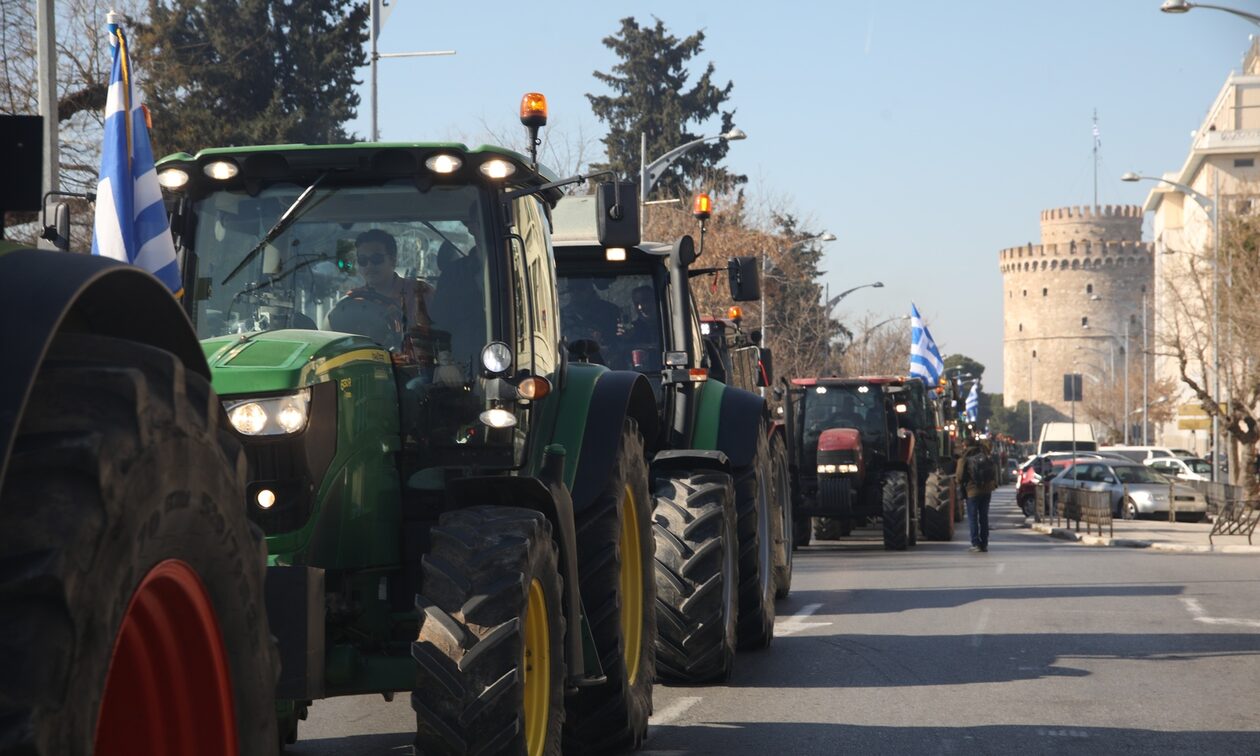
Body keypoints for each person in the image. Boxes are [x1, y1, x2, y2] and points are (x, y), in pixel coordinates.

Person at [328, 229, 432, 351]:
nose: (369, 266)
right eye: (363, 260)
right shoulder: (352, 301)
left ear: (393, 261)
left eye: (376, 259)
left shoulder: (421, 293)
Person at [956, 436, 998, 552]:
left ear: (965, 445)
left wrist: (961, 482)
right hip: (987, 491)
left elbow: (959, 477)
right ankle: (984, 543)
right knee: (984, 517)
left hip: (972, 492)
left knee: (973, 518)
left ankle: (976, 543)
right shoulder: (984, 455)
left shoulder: (964, 458)